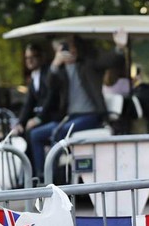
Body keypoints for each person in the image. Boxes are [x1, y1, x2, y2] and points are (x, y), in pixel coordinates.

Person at [29, 30, 127, 179]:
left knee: (60, 132)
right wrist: (55, 64)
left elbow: (109, 60)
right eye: (66, 47)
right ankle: (41, 176)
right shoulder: (61, 70)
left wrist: (119, 47)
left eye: (72, 46)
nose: (70, 50)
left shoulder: (88, 64)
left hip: (91, 116)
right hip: (69, 117)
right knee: (35, 134)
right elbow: (50, 84)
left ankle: (52, 178)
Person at [12, 43, 50, 137]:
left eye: (33, 57)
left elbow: (49, 99)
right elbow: (28, 104)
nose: (29, 61)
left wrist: (38, 119)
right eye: (27, 58)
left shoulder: (48, 74)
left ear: (41, 57)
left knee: (33, 134)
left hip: (50, 117)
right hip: (40, 118)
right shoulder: (33, 77)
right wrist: (20, 123)